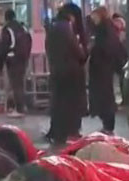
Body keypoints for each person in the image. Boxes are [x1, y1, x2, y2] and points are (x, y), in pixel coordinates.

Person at [45, 3, 87, 145]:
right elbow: (76, 50)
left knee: (58, 102)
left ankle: (58, 133)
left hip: (57, 70)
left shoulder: (52, 27)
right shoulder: (66, 28)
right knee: (69, 103)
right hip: (70, 71)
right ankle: (68, 132)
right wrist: (82, 53)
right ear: (71, 15)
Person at [88, 7, 125, 135]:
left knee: (105, 97)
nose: (93, 19)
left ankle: (108, 125)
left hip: (103, 68)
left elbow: (106, 48)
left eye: (95, 17)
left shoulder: (104, 31)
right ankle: (107, 125)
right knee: (104, 96)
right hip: (103, 68)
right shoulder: (105, 29)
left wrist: (94, 52)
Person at [0, 9, 33, 118]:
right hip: (23, 59)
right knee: (20, 83)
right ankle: (22, 106)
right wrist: (26, 55)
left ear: (6, 18)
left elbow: (4, 46)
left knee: (15, 84)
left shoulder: (7, 29)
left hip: (12, 59)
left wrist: (1, 62)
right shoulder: (22, 27)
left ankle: (19, 109)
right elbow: (29, 40)